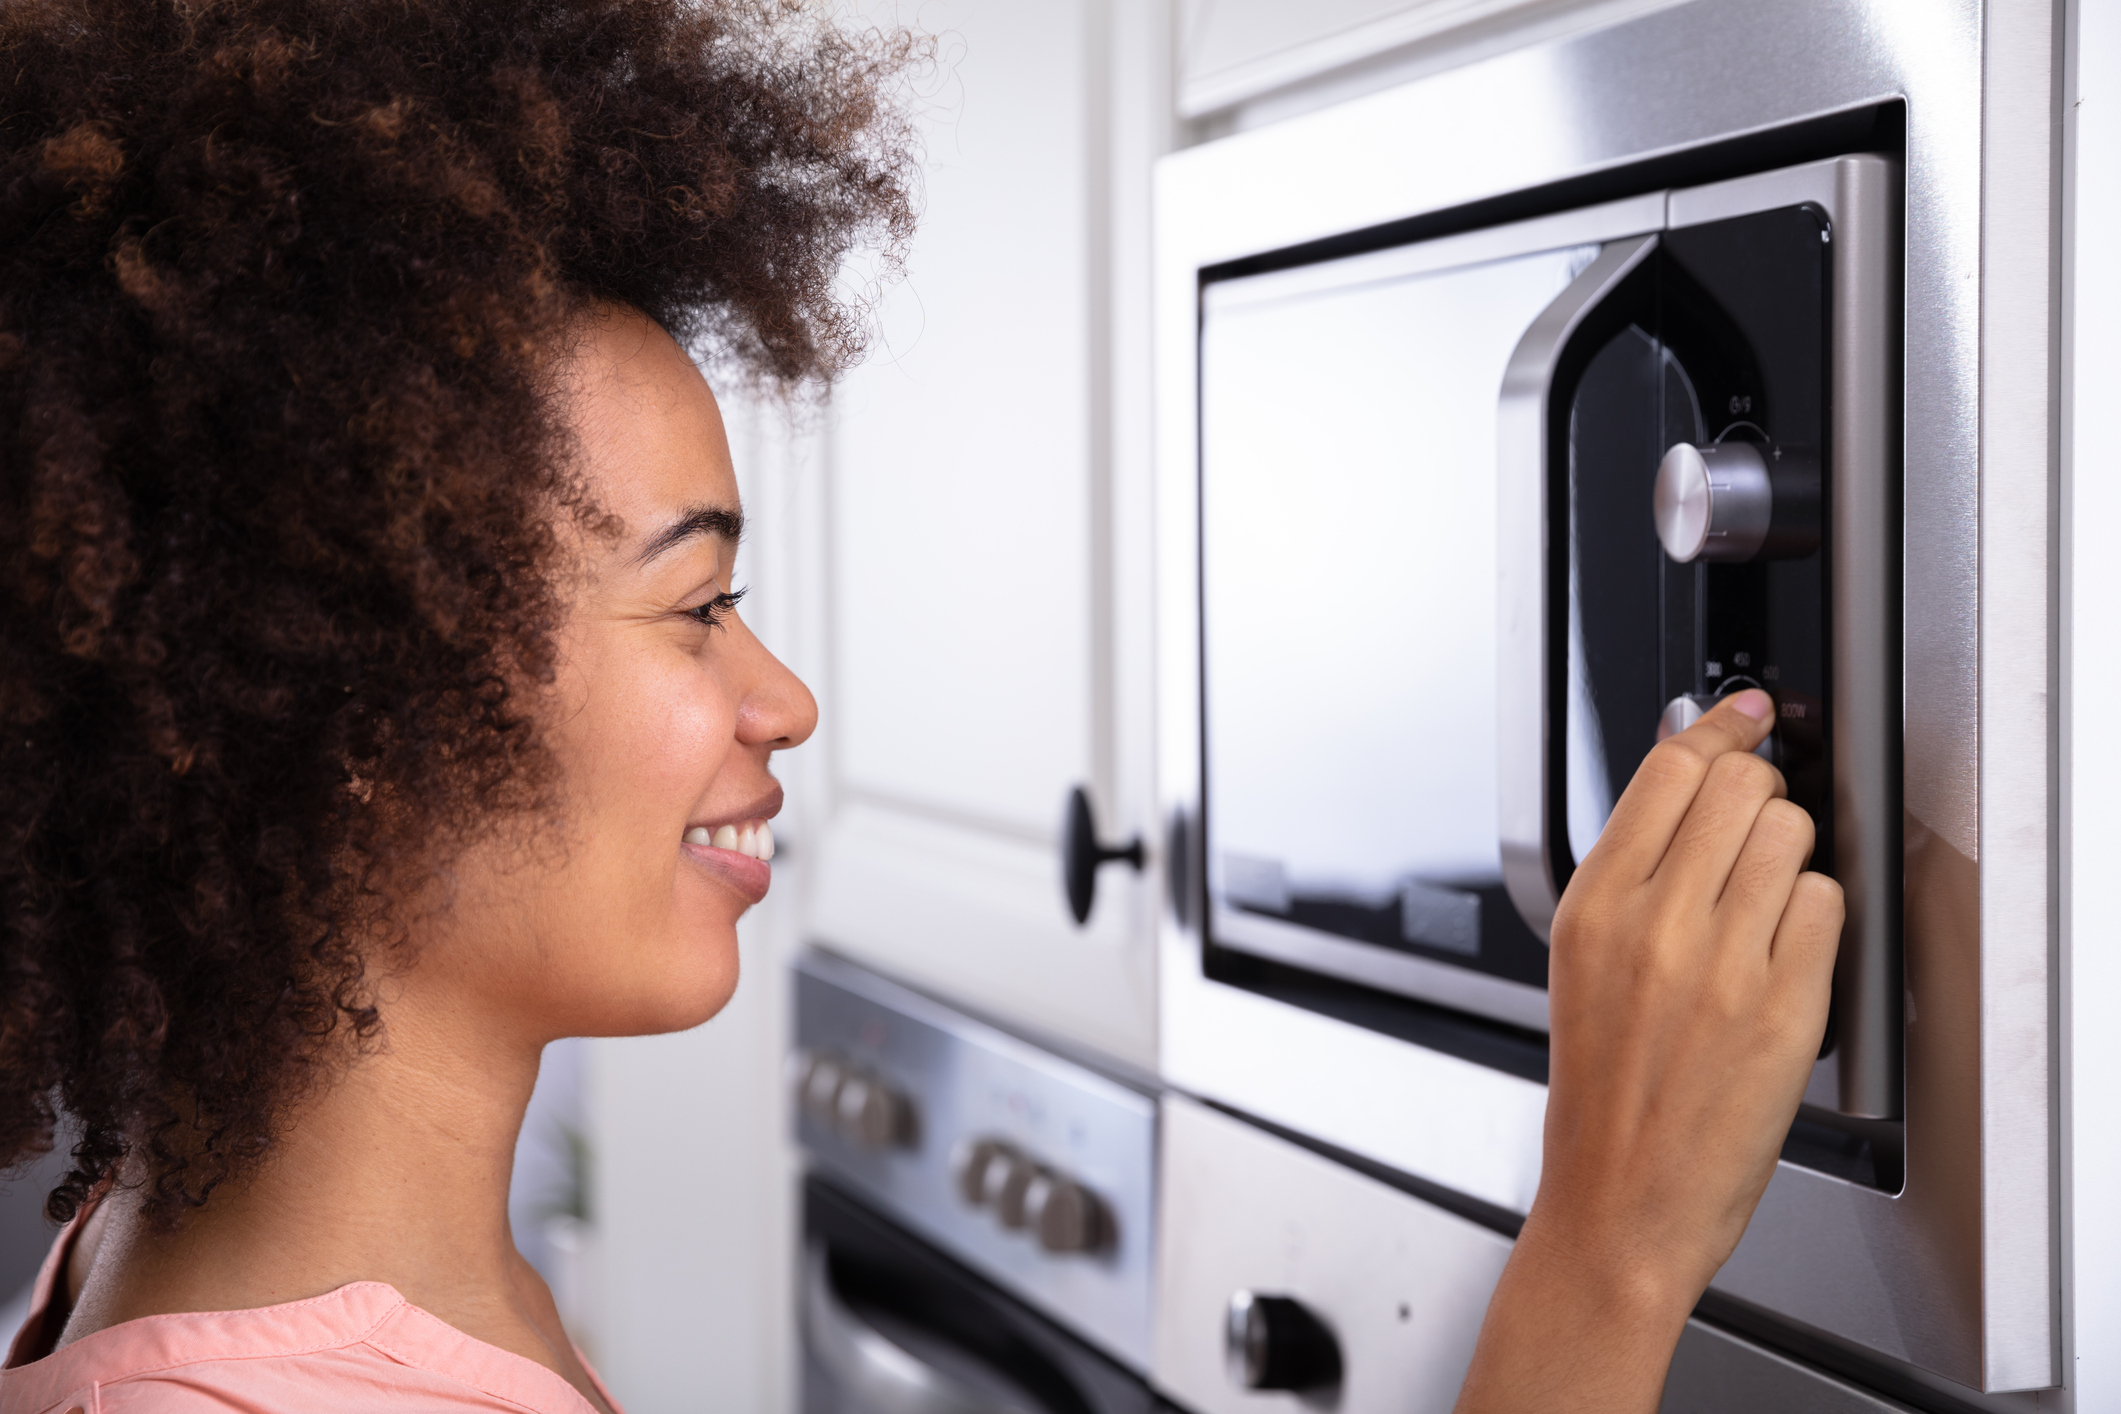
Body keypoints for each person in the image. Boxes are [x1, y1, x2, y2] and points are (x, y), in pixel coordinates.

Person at [0, 2, 1840, 1411]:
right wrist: (1603, 1254)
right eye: (696, 603)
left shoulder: (202, 1267)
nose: (782, 697)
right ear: (358, 716)